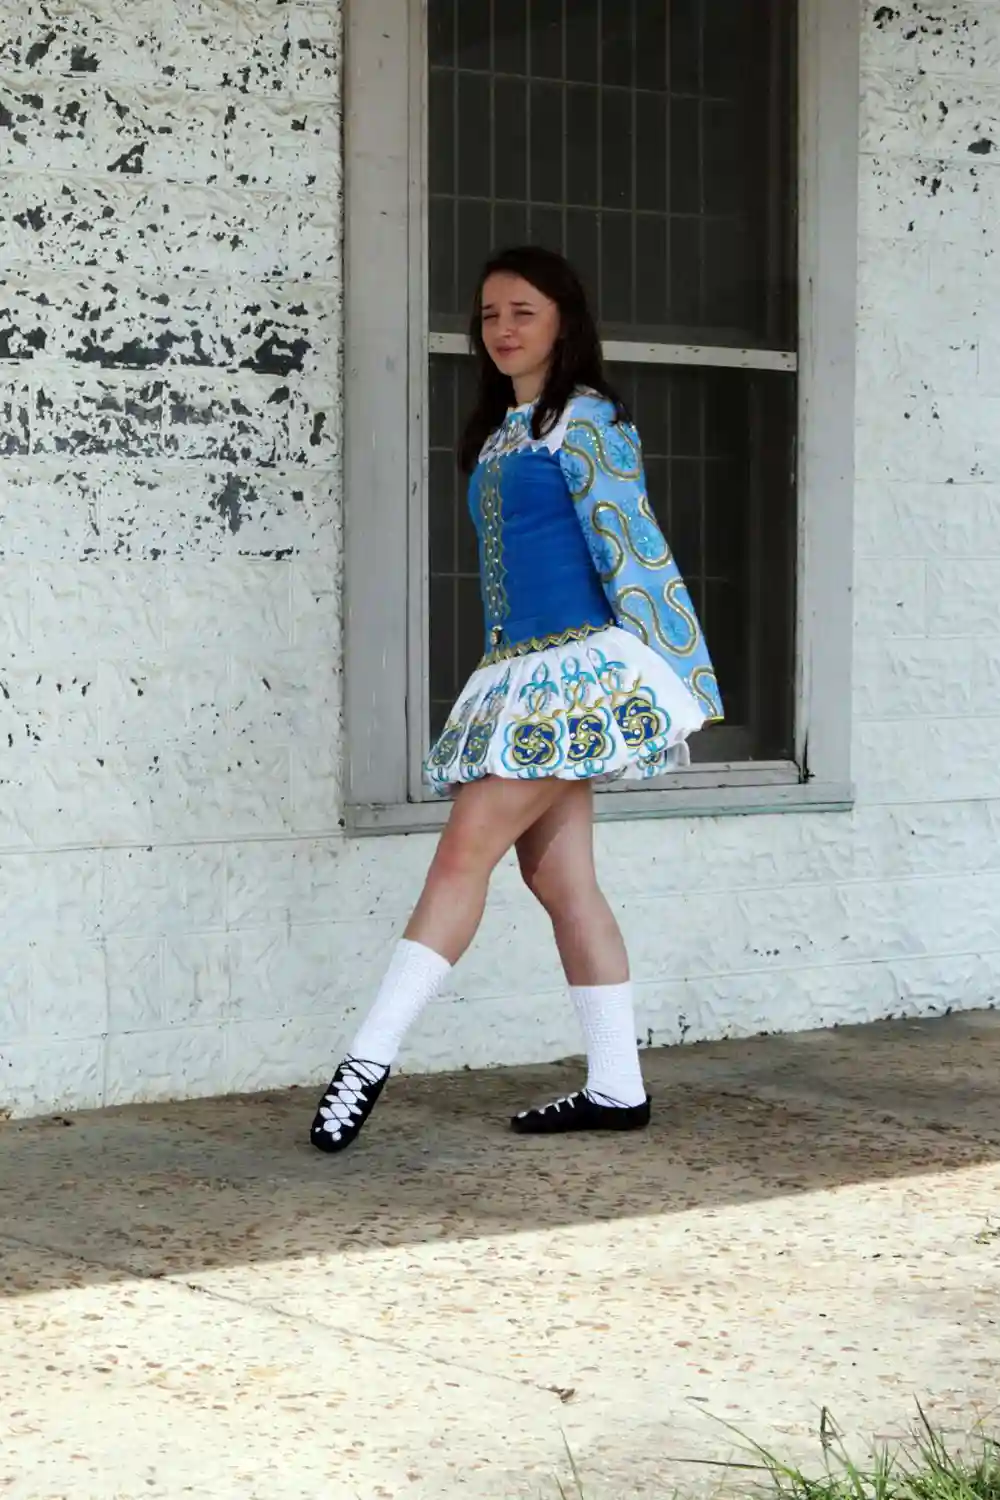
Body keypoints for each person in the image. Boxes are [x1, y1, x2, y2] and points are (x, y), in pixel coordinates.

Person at [310, 245, 722, 1154]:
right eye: (491, 314)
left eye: (523, 312)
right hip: (517, 672)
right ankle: (616, 1087)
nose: (502, 329)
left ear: (563, 321)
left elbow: (633, 546)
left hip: (572, 674)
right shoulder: (505, 429)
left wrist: (669, 670)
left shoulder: (588, 423)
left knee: (464, 853)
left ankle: (365, 1063)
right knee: (559, 877)